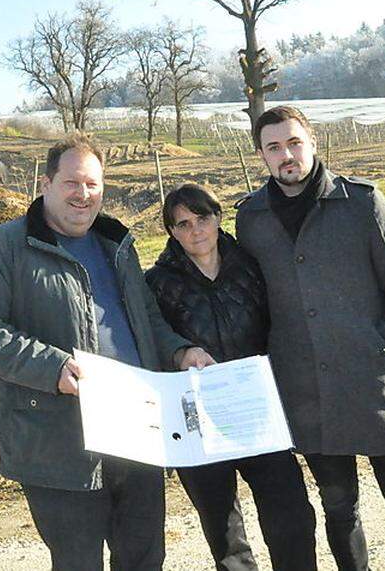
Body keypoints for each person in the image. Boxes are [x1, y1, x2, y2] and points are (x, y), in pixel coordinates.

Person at [0, 133, 214, 571]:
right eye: (72, 182)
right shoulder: (7, 246)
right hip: (60, 442)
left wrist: (181, 352)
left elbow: (145, 319)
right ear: (46, 184)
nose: (84, 194)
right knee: (78, 563)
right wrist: (51, 367)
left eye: (93, 184)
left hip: (138, 431)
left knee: (144, 559)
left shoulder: (116, 246)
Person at [235, 106, 385, 571]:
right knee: (339, 506)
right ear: (261, 156)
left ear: (312, 141)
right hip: (306, 390)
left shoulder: (361, 203)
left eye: (293, 142)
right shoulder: (251, 218)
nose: (286, 155)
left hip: (374, 382)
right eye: (273, 147)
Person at [145, 182, 318, 571]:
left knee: (290, 513)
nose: (195, 231)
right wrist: (180, 352)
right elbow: (153, 340)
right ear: (172, 231)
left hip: (256, 409)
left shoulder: (251, 266)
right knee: (224, 533)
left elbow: (282, 323)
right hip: (199, 424)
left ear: (217, 217)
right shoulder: (158, 283)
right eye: (183, 224)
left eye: (201, 218)